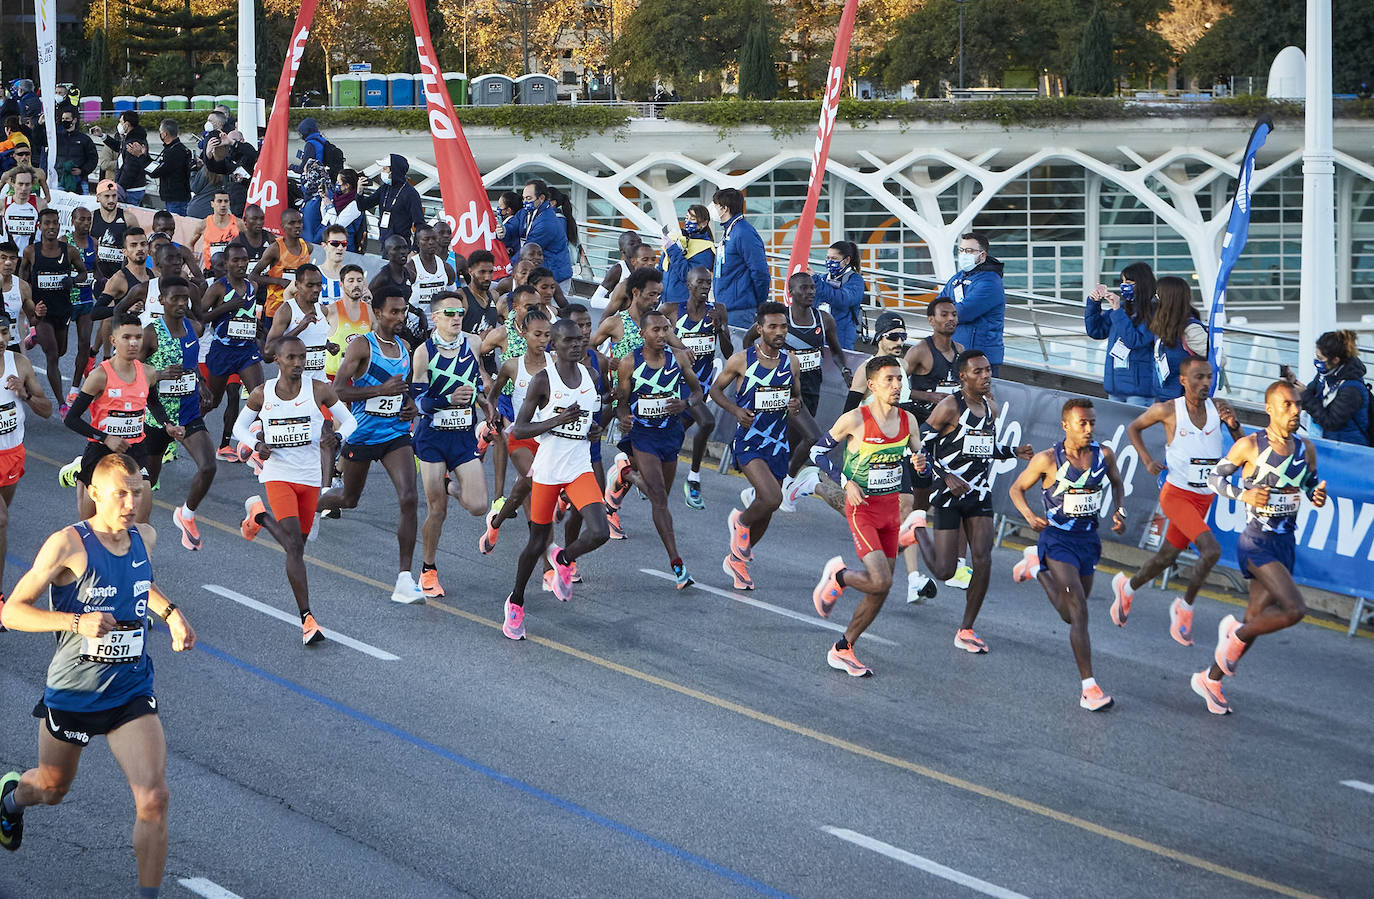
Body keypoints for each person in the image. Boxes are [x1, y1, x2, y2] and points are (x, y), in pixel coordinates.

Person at [0, 452, 196, 897]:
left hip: (130, 689)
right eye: (120, 494)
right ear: (94, 494)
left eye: (138, 493)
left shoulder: (143, 537)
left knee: (154, 799)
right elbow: (12, 611)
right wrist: (75, 622)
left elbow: (137, 582)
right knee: (51, 788)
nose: (131, 503)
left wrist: (171, 615)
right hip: (74, 692)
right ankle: (10, 799)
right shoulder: (68, 544)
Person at [1199, 381, 1326, 716]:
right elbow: (1214, 478)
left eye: (1298, 404)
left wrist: (1316, 494)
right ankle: (1233, 632)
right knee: (1294, 609)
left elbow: (1309, 482)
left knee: (1256, 618)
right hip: (1256, 543)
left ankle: (1210, 680)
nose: (1295, 411)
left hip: (1285, 543)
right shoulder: (1249, 446)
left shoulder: (1305, 448)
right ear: (1269, 409)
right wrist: (1243, 495)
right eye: (1286, 405)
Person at [1110, 357, 1243, 644]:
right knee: (1211, 552)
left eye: (1209, 377)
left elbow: (1242, 449)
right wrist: (1147, 459)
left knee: (1166, 557)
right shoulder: (1168, 410)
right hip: (1176, 494)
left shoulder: (1218, 408)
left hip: (1204, 497)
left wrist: (1233, 426)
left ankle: (1127, 587)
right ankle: (1184, 609)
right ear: (1183, 380)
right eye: (1198, 377)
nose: (1205, 382)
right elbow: (1134, 428)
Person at [810, 354, 926, 677]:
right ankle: (839, 577)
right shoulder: (855, 420)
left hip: (890, 511)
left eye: (900, 379)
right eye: (889, 380)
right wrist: (846, 483)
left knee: (882, 588)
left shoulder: (908, 421)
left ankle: (844, 648)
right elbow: (816, 452)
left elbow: (920, 455)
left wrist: (920, 463)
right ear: (872, 385)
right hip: (862, 510)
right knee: (881, 579)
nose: (897, 385)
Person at [1008, 399, 1128, 711]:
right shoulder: (1048, 460)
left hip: (1087, 541)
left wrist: (1120, 510)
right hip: (1057, 539)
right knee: (1079, 612)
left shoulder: (1105, 455)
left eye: (1091, 423)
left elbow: (1116, 483)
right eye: (1082, 424)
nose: (1089, 429)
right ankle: (1089, 687)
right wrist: (1030, 516)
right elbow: (1015, 489)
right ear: (1065, 426)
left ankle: (1035, 567)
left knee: (1069, 613)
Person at [236, 337, 357, 645]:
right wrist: (256, 444)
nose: (298, 363)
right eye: (291, 358)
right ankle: (307, 619)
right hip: (278, 475)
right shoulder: (263, 394)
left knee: (298, 548)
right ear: (277, 360)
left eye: (302, 357)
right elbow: (239, 428)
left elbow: (350, 421)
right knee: (293, 545)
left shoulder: (318, 389)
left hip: (310, 476)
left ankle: (259, 516)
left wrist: (338, 437)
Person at [911, 349, 1033, 653]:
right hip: (949, 494)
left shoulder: (991, 406)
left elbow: (983, 447)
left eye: (988, 370)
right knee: (945, 571)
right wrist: (945, 477)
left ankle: (966, 628)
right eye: (978, 372)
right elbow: (918, 447)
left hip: (979, 493)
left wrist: (1012, 451)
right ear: (963, 376)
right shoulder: (949, 407)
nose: (985, 376)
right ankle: (914, 530)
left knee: (983, 559)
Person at [502, 318, 609, 638]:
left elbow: (593, 420)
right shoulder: (542, 381)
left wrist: (595, 429)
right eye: (569, 341)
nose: (577, 345)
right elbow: (518, 430)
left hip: (579, 467)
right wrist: (557, 419)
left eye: (580, 340)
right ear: (555, 346)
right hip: (548, 469)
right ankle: (516, 602)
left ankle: (564, 557)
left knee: (600, 531)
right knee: (536, 544)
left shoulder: (591, 375)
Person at [316, 289, 424, 604]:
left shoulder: (404, 348)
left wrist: (409, 405)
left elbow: (402, 391)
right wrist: (380, 389)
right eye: (393, 312)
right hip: (362, 434)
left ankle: (405, 579)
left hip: (394, 434)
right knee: (348, 500)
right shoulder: (364, 345)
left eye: (403, 311)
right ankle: (311, 504)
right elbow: (336, 391)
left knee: (409, 497)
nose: (400, 318)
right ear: (377, 312)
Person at [845, 311, 938, 604]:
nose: (900, 342)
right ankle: (811, 486)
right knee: (864, 511)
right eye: (893, 337)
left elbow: (903, 405)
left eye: (903, 337)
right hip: (868, 454)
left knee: (906, 508)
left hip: (896, 449)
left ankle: (913, 580)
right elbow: (848, 413)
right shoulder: (866, 370)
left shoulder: (900, 367)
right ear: (879, 337)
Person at [710, 302, 802, 590]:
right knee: (772, 498)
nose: (779, 332)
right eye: (772, 326)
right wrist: (736, 411)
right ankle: (740, 523)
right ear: (759, 328)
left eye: (783, 327)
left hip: (778, 443)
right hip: (749, 442)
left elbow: (796, 398)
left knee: (768, 507)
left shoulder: (792, 362)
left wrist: (795, 404)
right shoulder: (742, 360)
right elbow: (715, 391)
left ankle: (737, 559)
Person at [740, 272, 848, 512]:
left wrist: (844, 369)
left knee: (789, 442)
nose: (809, 292)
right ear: (791, 292)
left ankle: (759, 491)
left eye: (812, 288)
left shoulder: (824, 319)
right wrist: (759, 369)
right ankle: (787, 487)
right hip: (783, 389)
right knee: (812, 437)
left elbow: (837, 350)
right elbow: (748, 340)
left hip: (811, 388)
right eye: (803, 288)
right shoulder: (780, 321)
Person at [62, 314, 184, 523]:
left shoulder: (148, 372)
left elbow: (152, 401)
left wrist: (167, 425)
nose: (133, 343)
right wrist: (105, 438)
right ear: (113, 341)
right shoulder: (100, 376)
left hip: (135, 449)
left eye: (138, 337)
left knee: (141, 518)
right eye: (126, 337)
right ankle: (79, 471)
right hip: (101, 451)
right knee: (90, 524)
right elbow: (71, 419)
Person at [614, 309, 703, 588]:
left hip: (670, 434)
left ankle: (626, 473)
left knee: (659, 491)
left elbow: (698, 392)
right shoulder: (629, 363)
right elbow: (621, 402)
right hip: (643, 436)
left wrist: (685, 404)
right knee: (659, 497)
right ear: (643, 334)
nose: (662, 335)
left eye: (665, 329)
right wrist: (623, 418)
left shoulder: (677, 360)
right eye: (656, 330)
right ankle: (677, 563)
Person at [411, 291, 490, 597]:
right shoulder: (423, 353)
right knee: (437, 511)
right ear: (435, 318)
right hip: (431, 437)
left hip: (462, 436)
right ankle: (428, 570)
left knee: (477, 505)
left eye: (460, 312)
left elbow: (477, 375)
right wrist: (446, 400)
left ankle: (449, 484)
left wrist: (485, 402)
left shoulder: (473, 343)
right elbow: (417, 401)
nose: (457, 318)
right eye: (450, 313)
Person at [138, 278, 218, 550]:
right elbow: (134, 375)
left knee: (208, 466)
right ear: (161, 301)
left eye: (186, 298)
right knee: (147, 485)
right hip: (156, 418)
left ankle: (186, 514)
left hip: (188, 413)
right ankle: (134, 535)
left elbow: (191, 365)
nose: (182, 303)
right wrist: (158, 376)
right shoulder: (150, 334)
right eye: (175, 299)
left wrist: (202, 384)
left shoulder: (193, 327)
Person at [478, 308, 552, 551]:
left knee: (525, 488)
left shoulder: (556, 364)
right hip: (521, 437)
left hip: (550, 438)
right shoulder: (512, 366)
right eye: (537, 334)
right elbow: (493, 395)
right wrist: (493, 413)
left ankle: (496, 522)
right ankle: (547, 558)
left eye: (547, 335)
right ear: (523, 332)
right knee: (536, 484)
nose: (543, 340)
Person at [0, 311, 53, 621]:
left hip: (12, 453)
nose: (1, 340)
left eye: (5, 333)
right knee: (2, 521)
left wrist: (25, 393)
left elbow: (47, 410)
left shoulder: (18, 364)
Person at [199, 243, 265, 461]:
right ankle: (189, 429)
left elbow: (248, 316)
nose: (241, 264)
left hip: (246, 350)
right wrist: (225, 308)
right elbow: (200, 317)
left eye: (244, 260)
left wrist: (258, 329)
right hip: (222, 350)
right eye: (235, 260)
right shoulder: (219, 287)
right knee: (213, 401)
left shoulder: (253, 286)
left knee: (261, 397)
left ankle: (257, 445)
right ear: (226, 263)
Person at [675, 265, 733, 509]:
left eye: (708, 283)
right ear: (689, 284)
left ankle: (632, 467)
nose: (705, 287)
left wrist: (719, 328)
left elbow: (729, 353)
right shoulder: (672, 310)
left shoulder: (717, 310)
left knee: (674, 433)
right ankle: (694, 478)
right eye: (700, 283)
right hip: (677, 381)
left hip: (703, 383)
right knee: (707, 422)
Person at [20, 209, 87, 411]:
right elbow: (22, 275)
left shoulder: (69, 251)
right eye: (47, 223)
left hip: (63, 310)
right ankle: (61, 404)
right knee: (52, 355)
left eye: (55, 223)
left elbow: (83, 273)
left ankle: (35, 337)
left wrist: (73, 280)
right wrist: (27, 301)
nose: (51, 227)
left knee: (61, 350)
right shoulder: (31, 251)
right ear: (39, 226)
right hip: (41, 313)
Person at [1084, 262, 1155, 406]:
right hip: (1115, 385)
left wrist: (1117, 309)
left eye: (1128, 282)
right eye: (1122, 282)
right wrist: (1093, 304)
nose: (1124, 286)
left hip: (1138, 390)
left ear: (1142, 283)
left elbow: (1134, 341)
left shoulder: (1153, 312)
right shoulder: (1122, 309)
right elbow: (1096, 331)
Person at [937, 232, 1005, 376]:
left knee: (982, 398)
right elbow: (936, 306)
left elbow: (962, 313)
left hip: (981, 360)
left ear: (982, 255)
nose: (963, 254)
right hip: (957, 355)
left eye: (969, 251)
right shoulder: (958, 277)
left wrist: (947, 310)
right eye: (961, 250)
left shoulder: (990, 282)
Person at [1295, 329, 1369, 446]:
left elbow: (1331, 422)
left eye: (1320, 358)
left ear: (1335, 360)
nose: (1317, 361)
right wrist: (1294, 385)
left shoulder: (1352, 390)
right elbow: (1310, 398)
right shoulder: (1326, 374)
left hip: (1348, 450)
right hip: (1326, 443)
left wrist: (1305, 395)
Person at [711, 188, 770, 329]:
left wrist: (758, 303)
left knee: (740, 350)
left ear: (724, 208)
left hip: (740, 310)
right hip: (726, 307)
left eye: (715, 206)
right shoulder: (730, 231)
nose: (713, 210)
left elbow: (760, 272)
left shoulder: (744, 233)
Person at [504, 179, 574, 293]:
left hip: (556, 276)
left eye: (528, 198)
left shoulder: (547, 222)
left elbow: (530, 248)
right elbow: (514, 225)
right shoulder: (526, 212)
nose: (525, 202)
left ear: (541, 198)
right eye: (524, 198)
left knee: (553, 308)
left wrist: (511, 265)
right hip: (542, 273)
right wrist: (504, 231)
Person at [1149, 276, 1207, 402]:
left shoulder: (1190, 329)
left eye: (1157, 295)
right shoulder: (1163, 325)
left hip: (1183, 399)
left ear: (1168, 299)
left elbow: (1218, 358)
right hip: (1163, 394)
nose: (1154, 299)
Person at [62, 206, 98, 405]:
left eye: (89, 220)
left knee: (84, 344)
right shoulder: (64, 242)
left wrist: (103, 282)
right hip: (66, 302)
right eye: (82, 219)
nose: (86, 223)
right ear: (73, 220)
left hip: (85, 300)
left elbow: (96, 269)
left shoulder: (94, 242)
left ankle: (75, 389)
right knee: (61, 348)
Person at [250, 206, 312, 321]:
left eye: (299, 222)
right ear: (283, 226)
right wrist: (278, 281)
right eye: (292, 223)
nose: (297, 226)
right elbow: (253, 276)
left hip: (299, 308)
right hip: (276, 308)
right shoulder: (275, 248)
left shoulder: (307, 247)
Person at [357, 154, 426, 248]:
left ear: (393, 171)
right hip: (385, 243)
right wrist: (359, 192)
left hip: (401, 246)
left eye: (385, 169)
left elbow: (420, 224)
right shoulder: (385, 188)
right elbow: (362, 206)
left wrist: (415, 249)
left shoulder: (411, 193)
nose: (382, 171)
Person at [811, 240, 865, 349]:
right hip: (818, 335)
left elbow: (842, 299)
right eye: (828, 258)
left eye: (834, 258)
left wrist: (816, 281)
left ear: (847, 260)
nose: (829, 262)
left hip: (841, 339)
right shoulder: (823, 278)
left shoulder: (855, 280)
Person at [660, 207, 715, 312]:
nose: (688, 222)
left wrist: (672, 249)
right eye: (687, 218)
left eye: (693, 219)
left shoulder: (706, 248)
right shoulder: (678, 240)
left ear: (704, 223)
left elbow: (688, 276)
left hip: (685, 306)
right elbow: (661, 268)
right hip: (665, 302)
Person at [324, 263, 372, 381]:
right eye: (350, 281)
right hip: (333, 377)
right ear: (341, 284)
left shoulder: (369, 310)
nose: (355, 284)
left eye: (359, 280)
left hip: (360, 378)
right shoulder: (330, 310)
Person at [188, 189, 239, 275]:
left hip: (232, 271)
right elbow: (190, 244)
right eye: (219, 201)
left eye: (226, 201)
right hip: (211, 271)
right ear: (212, 204)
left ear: (229, 204)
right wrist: (193, 256)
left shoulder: (238, 223)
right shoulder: (203, 224)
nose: (223, 205)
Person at [406, 224, 457, 309]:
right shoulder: (410, 268)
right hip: (416, 321)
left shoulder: (446, 268)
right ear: (418, 243)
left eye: (434, 238)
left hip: (440, 321)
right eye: (426, 239)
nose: (431, 242)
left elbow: (453, 296)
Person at [151, 120, 192, 216]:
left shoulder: (174, 152)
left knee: (176, 226)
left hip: (176, 198)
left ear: (165, 134)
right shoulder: (178, 149)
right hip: (179, 196)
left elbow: (157, 172)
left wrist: (142, 158)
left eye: (160, 132)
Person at [54, 107, 98, 194]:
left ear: (74, 120)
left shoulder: (85, 139)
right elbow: (40, 141)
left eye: (67, 118)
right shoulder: (57, 138)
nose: (64, 121)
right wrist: (40, 125)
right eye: (63, 119)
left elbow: (93, 159)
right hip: (60, 181)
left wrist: (82, 171)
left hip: (80, 181)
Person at [0, 241, 34, 351]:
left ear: (17, 261)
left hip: (12, 345)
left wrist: (39, 315)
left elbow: (32, 319)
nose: (8, 263)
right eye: (3, 258)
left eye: (12, 258)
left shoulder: (23, 287)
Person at [1, 166, 42, 252]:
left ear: (32, 185)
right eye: (20, 184)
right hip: (9, 257)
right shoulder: (3, 204)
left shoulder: (40, 204)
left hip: (32, 256)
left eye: (27, 184)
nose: (23, 189)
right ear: (13, 183)